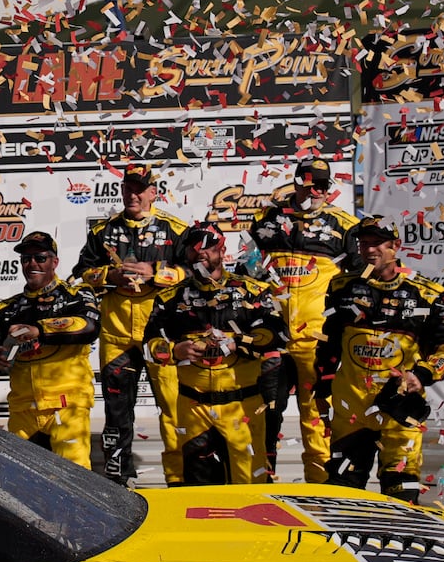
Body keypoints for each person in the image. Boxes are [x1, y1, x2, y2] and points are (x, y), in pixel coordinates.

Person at [314, 216, 444, 503]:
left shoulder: (427, 296)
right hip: (352, 410)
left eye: (377, 243)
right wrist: (321, 389)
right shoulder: (341, 287)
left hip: (399, 407)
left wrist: (422, 376)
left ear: (395, 246)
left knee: (401, 493)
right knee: (343, 493)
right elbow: (329, 344)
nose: (369, 250)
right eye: (363, 243)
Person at [72, 163, 190, 485]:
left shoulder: (176, 230)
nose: (133, 194)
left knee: (173, 409)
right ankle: (117, 480)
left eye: (140, 189)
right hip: (117, 335)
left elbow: (194, 272)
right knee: (116, 412)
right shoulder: (102, 231)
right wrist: (110, 275)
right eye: (128, 188)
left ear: (154, 192)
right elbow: (79, 273)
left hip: (160, 332)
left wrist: (157, 273)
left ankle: (178, 480)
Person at [145, 222, 288, 485]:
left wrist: (237, 342)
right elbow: (149, 345)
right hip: (193, 408)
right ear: (185, 254)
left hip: (242, 407)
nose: (201, 252)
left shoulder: (252, 291)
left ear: (222, 251)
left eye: (209, 247)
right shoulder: (170, 297)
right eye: (194, 248)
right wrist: (174, 350)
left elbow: (277, 336)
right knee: (199, 492)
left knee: (250, 491)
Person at [247, 157, 361, 482]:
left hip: (317, 341)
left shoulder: (345, 226)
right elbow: (247, 271)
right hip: (274, 339)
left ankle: (322, 488)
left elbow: (356, 283)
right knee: (267, 411)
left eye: (324, 185)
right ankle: (261, 485)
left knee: (317, 415)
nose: (318, 191)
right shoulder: (266, 222)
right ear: (297, 183)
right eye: (312, 184)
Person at [0, 232, 100, 467]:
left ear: (54, 262)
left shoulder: (76, 295)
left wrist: (39, 330)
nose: (32, 264)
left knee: (75, 480)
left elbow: (90, 327)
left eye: (40, 258)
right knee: (15, 481)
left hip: (67, 406)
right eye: (26, 258)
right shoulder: (7, 308)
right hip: (23, 409)